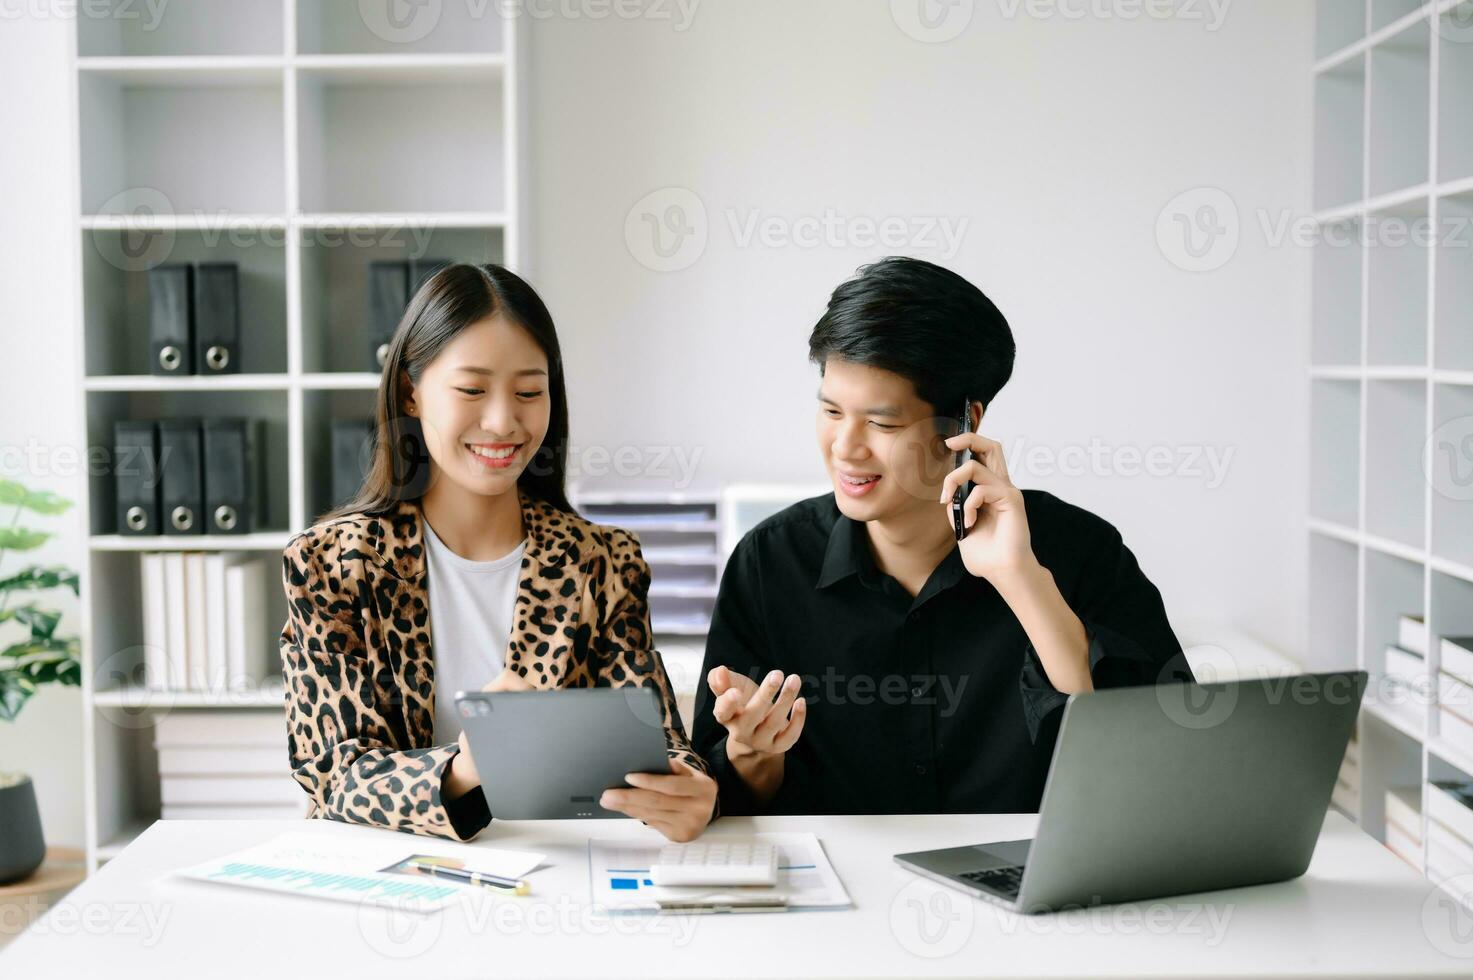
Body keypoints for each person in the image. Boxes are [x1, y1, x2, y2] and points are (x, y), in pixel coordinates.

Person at [692, 256, 1195, 816]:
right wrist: (753, 754)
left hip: (1026, 888)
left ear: (964, 423)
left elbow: (1157, 774)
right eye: (832, 411)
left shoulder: (1082, 552)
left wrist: (1023, 580)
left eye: (882, 423)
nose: (846, 447)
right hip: (842, 892)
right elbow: (724, 798)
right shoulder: (769, 561)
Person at [279, 263, 716, 842]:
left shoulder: (602, 562)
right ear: (411, 392)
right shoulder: (331, 563)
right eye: (472, 389)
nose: (502, 421)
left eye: (530, 392)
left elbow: (659, 742)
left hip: (552, 880)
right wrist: (465, 766)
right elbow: (332, 773)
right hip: (385, 886)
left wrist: (686, 788)